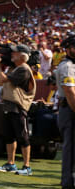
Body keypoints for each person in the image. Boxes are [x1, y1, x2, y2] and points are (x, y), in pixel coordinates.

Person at [0, 44, 36, 176]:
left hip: (18, 106)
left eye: (15, 53)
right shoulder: (15, 68)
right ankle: (10, 163)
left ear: (23, 56)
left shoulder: (23, 69)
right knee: (9, 136)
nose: (12, 54)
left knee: (22, 136)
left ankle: (27, 166)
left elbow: (1, 79)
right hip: (9, 105)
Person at [55, 32, 75, 188]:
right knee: (71, 147)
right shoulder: (67, 66)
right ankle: (68, 182)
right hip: (70, 108)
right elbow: (70, 92)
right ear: (68, 49)